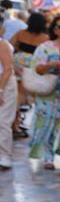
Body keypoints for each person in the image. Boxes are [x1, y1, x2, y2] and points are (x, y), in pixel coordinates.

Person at [28, 15, 60, 168]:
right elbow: (37, 68)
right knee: (47, 123)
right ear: (54, 29)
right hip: (49, 91)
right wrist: (51, 65)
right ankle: (48, 157)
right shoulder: (45, 47)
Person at [0, 35, 15, 170]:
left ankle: (5, 156)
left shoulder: (2, 44)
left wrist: (1, 90)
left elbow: (8, 68)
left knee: (3, 121)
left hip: (5, 83)